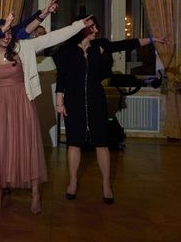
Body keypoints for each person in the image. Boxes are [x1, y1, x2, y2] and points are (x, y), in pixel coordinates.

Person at [0, 15, 90, 214]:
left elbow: (52, 38)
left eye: (9, 33)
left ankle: (35, 193)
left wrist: (78, 25)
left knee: (27, 146)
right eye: (3, 33)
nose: (7, 37)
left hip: (21, 103)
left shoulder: (23, 48)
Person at [53, 16, 166, 204]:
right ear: (81, 28)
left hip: (96, 99)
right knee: (74, 142)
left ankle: (106, 185)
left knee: (101, 142)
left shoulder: (100, 46)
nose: (96, 30)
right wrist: (59, 101)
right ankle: (72, 182)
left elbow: (125, 44)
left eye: (96, 27)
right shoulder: (66, 50)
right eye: (92, 27)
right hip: (73, 101)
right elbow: (61, 78)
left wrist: (152, 40)